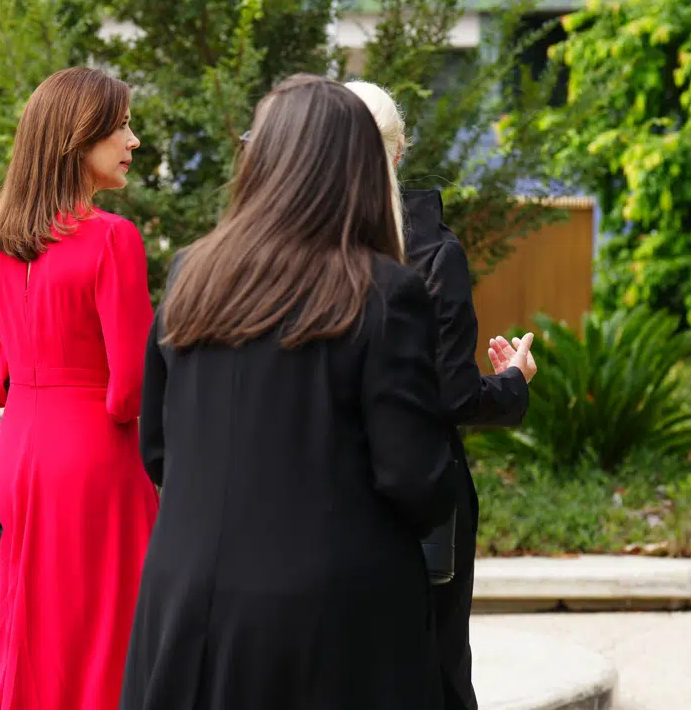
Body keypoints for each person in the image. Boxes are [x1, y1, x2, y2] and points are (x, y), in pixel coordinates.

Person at [121, 74, 460, 710]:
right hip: (332, 618)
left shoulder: (192, 271)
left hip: (186, 598)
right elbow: (416, 477)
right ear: (360, 169)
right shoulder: (383, 291)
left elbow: (158, 448)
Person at [0, 66, 158, 710]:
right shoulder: (112, 239)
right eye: (122, 126)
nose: (133, 141)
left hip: (19, 455)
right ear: (81, 137)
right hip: (99, 455)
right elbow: (132, 387)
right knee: (105, 623)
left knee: (24, 617)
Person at [346, 80, 536, 709]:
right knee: (437, 671)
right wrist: (511, 383)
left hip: (326, 490)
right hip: (422, 493)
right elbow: (452, 395)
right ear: (398, 155)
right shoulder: (430, 250)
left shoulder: (296, 249)